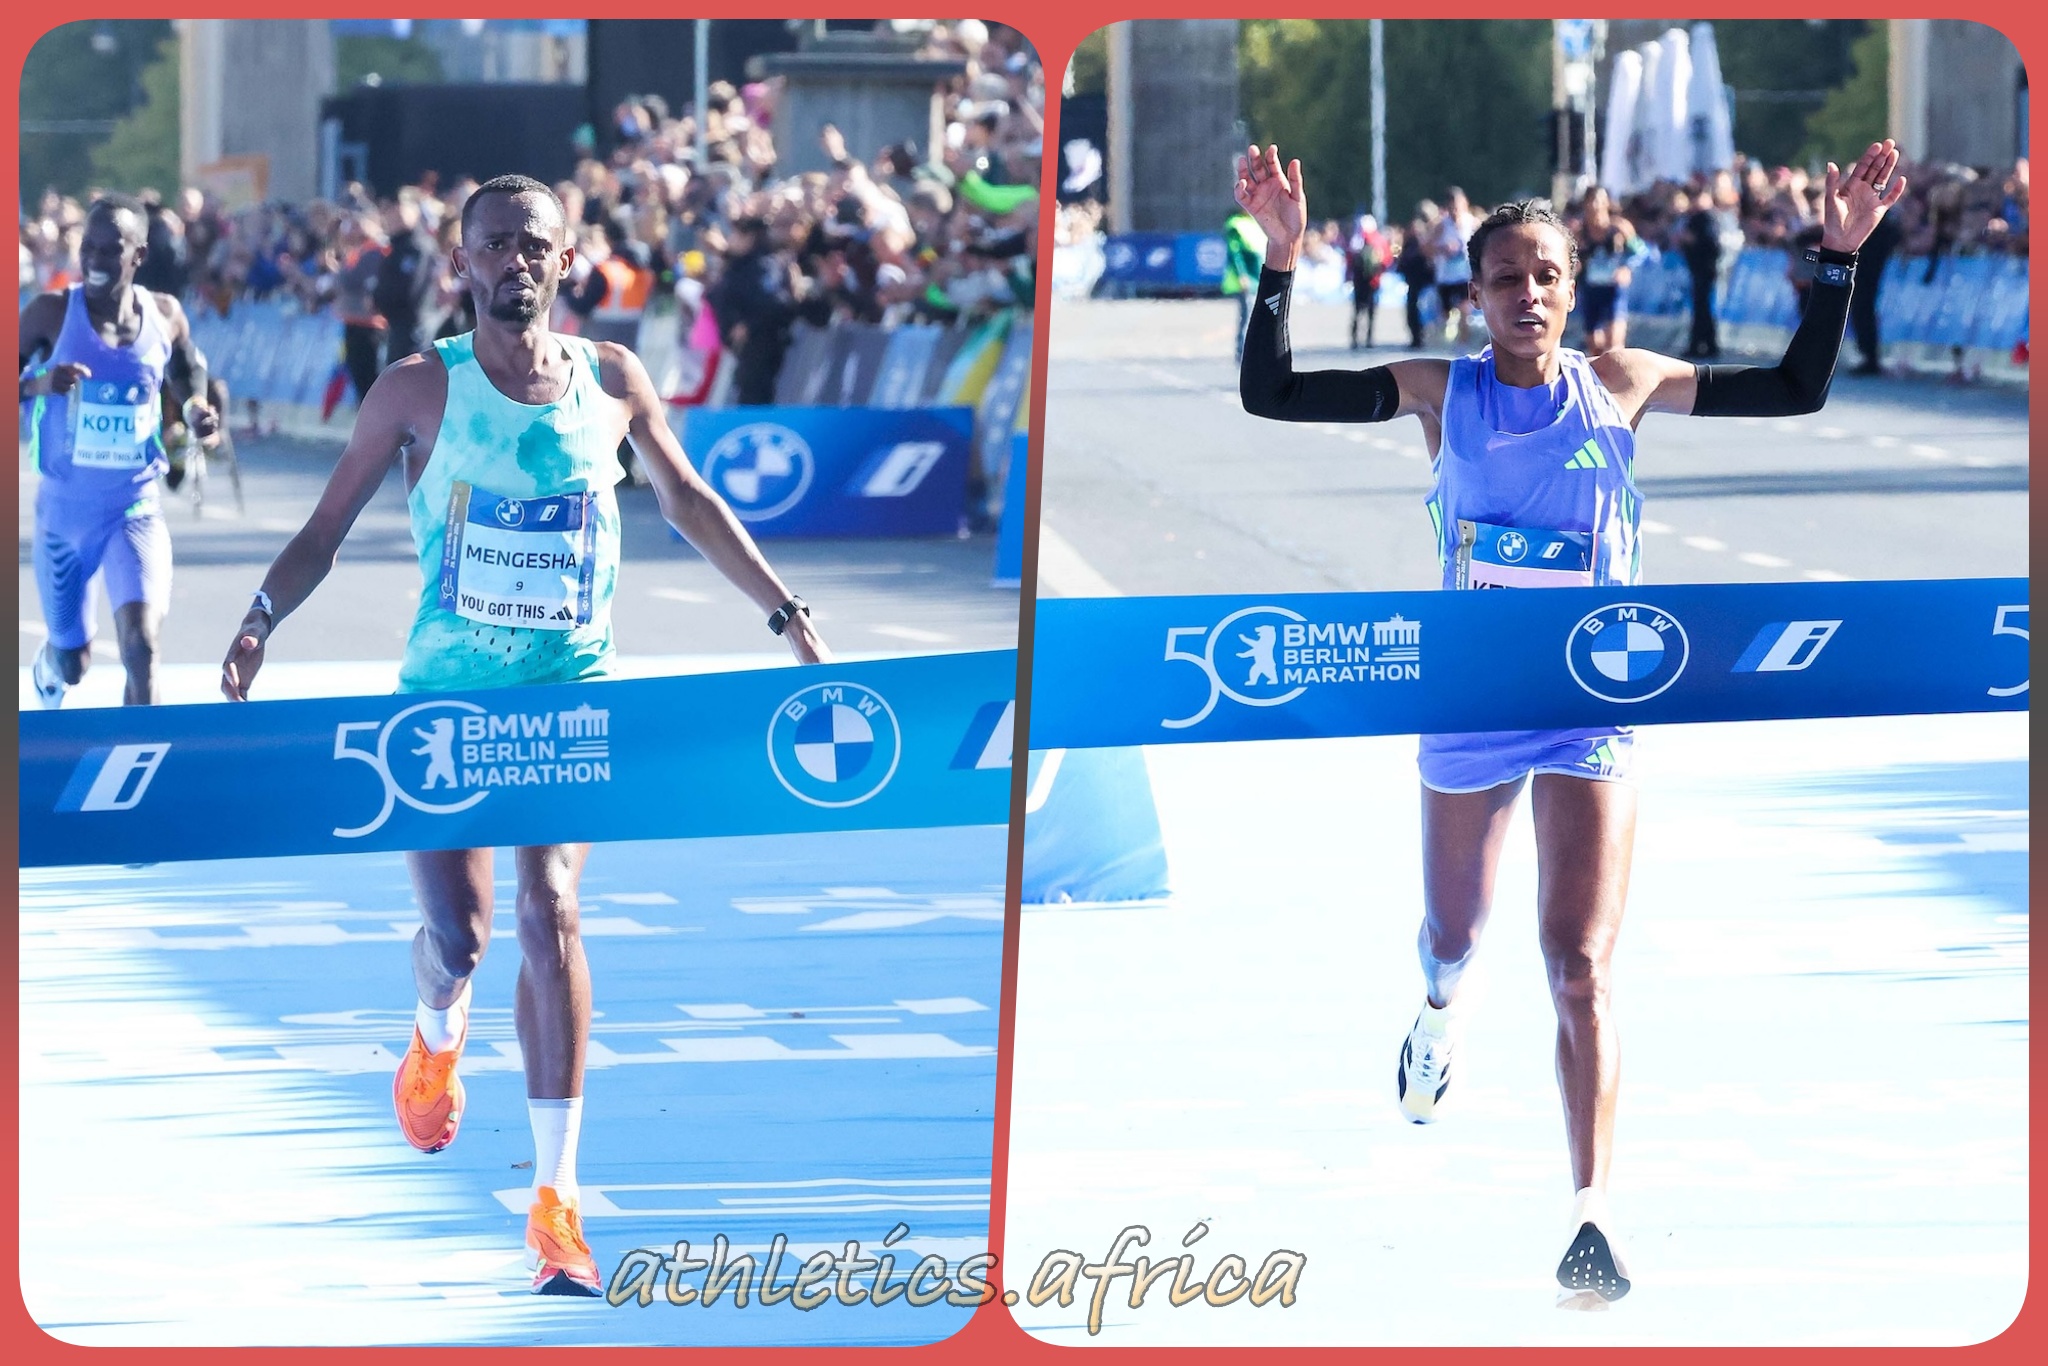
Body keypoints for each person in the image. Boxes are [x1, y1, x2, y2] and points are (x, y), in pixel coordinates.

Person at [1234, 139, 1905, 1305]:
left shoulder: (1625, 381)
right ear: (1475, 294)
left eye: (1544, 274)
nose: (1526, 295)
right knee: (1456, 934)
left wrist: (1836, 257)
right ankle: (1436, 1016)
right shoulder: (1440, 391)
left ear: (1572, 284)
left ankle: (1591, 1215)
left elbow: (1794, 388)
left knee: (1579, 962)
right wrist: (1281, 264)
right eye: (1504, 278)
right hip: (1470, 701)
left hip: (1591, 702)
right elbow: (1271, 394)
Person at [218, 175, 829, 1296]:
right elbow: (327, 525)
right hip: (445, 707)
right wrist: (259, 620)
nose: (514, 262)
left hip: (570, 697)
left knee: (552, 910)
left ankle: (557, 1201)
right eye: (493, 245)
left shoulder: (611, 381)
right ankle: (434, 1034)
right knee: (458, 938)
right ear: (461, 264)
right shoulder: (416, 389)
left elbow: (687, 496)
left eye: (533, 245)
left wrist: (783, 611)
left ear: (565, 258)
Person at [19, 193, 221, 707]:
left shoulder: (165, 314)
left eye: (112, 249)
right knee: (75, 663)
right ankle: (50, 664)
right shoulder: (49, 313)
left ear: (139, 255)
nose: (96, 260)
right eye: (89, 246)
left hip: (135, 509)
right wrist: (40, 383)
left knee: (142, 648)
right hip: (64, 515)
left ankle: (136, 766)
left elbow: (186, 371)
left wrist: (196, 406)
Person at [1573, 187, 1641, 356]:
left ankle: (1617, 379)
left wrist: (1626, 268)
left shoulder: (1620, 228)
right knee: (1594, 345)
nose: (1595, 206)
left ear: (1607, 203)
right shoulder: (1579, 231)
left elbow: (1640, 251)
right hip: (1590, 290)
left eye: (1600, 201)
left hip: (1613, 290)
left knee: (1614, 345)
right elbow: (1569, 255)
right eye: (1592, 201)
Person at [1430, 187, 1478, 346]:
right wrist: (1442, 249)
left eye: (1458, 207)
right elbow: (1426, 248)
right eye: (1452, 207)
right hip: (1446, 277)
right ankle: (1446, 344)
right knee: (1446, 315)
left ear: (1465, 204)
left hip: (1465, 276)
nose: (1455, 211)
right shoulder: (1441, 225)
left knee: (1465, 311)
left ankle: (1463, 346)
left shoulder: (1472, 223)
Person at [1222, 202, 1267, 363]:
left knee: (1260, 316)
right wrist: (1242, 275)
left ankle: (1256, 351)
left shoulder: (1256, 223)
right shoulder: (1235, 225)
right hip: (1245, 279)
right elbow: (1235, 252)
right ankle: (1242, 351)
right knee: (1246, 315)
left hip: (1258, 277)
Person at [1347, 212, 1390, 351]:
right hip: (1373, 281)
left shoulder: (1357, 239)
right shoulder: (1378, 240)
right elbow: (1387, 259)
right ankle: (1368, 339)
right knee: (1370, 310)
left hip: (1361, 280)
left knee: (1358, 310)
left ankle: (1355, 339)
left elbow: (1349, 259)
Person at [1396, 206, 1438, 349]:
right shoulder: (1415, 235)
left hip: (1424, 278)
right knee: (1415, 307)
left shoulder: (1431, 233)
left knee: (1421, 308)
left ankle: (1422, 336)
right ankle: (1417, 337)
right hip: (1418, 277)